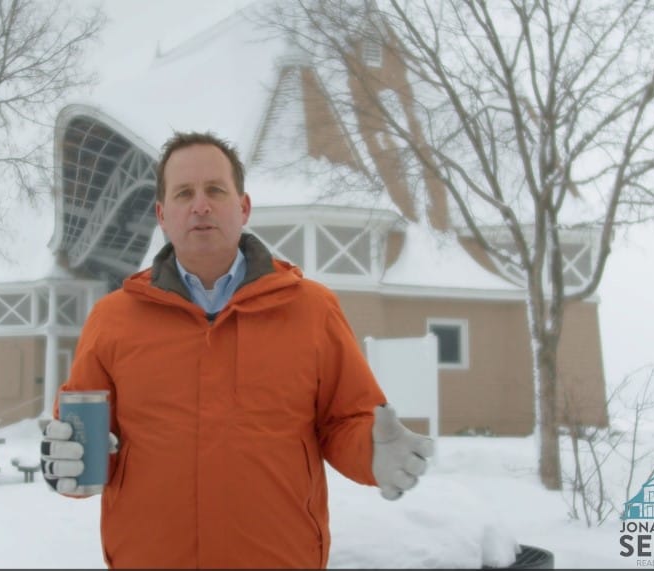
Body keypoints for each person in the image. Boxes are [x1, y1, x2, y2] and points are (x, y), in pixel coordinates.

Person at [40, 131, 434, 569]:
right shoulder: (113, 319)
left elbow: (344, 421)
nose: (200, 205)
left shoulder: (312, 309)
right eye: (184, 193)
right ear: (162, 214)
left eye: (215, 190)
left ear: (243, 207)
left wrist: (374, 453)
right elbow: (85, 445)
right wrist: (65, 465)